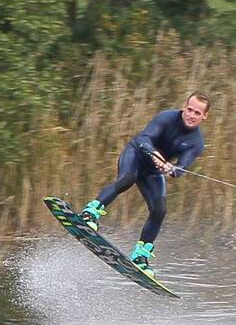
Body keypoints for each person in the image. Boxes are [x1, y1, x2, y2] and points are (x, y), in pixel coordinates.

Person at [76, 92, 211, 278]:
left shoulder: (197, 142)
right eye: (189, 109)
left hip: (153, 172)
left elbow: (182, 167)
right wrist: (155, 154)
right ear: (184, 107)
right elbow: (144, 138)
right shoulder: (167, 117)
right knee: (127, 179)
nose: (191, 115)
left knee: (160, 209)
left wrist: (172, 169)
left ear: (204, 116)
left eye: (197, 112)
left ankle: (140, 257)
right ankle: (90, 213)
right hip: (135, 155)